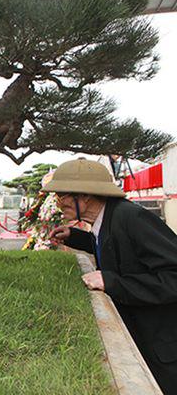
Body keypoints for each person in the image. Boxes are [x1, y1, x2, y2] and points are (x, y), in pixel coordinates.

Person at [45, 159, 177, 394]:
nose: (58, 204)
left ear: (84, 196)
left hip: (164, 348)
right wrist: (74, 236)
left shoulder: (132, 218)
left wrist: (112, 281)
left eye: (61, 196)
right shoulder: (108, 218)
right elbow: (117, 248)